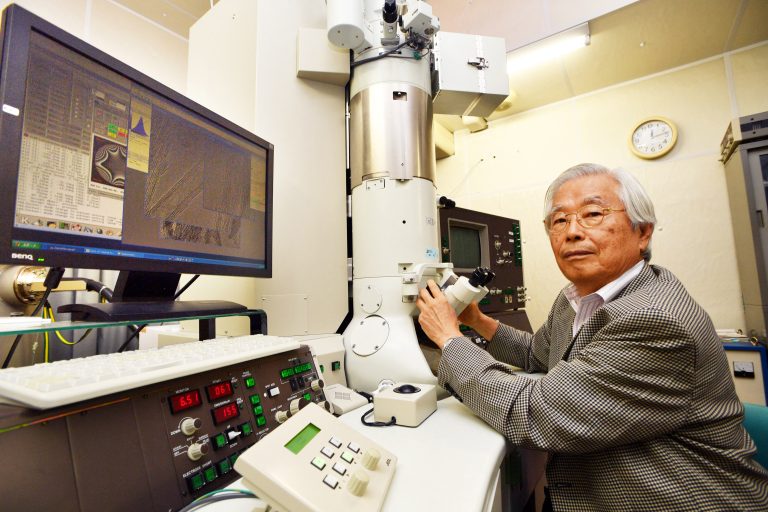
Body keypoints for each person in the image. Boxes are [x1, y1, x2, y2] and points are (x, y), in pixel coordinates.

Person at [416, 163, 768, 511]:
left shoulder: (654, 318)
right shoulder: (577, 298)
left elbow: (537, 412)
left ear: (642, 232)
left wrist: (449, 339)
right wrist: (475, 320)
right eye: (559, 220)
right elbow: (540, 356)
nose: (572, 232)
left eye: (593, 214)